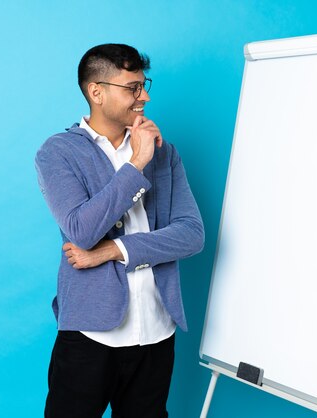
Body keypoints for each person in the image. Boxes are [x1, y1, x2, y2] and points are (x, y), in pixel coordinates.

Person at [35, 43, 205, 418]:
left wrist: (114, 250)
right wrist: (137, 163)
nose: (143, 97)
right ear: (97, 92)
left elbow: (192, 234)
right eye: (132, 88)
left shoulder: (165, 151)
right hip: (91, 332)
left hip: (158, 330)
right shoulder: (58, 152)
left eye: (144, 86)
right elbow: (82, 229)